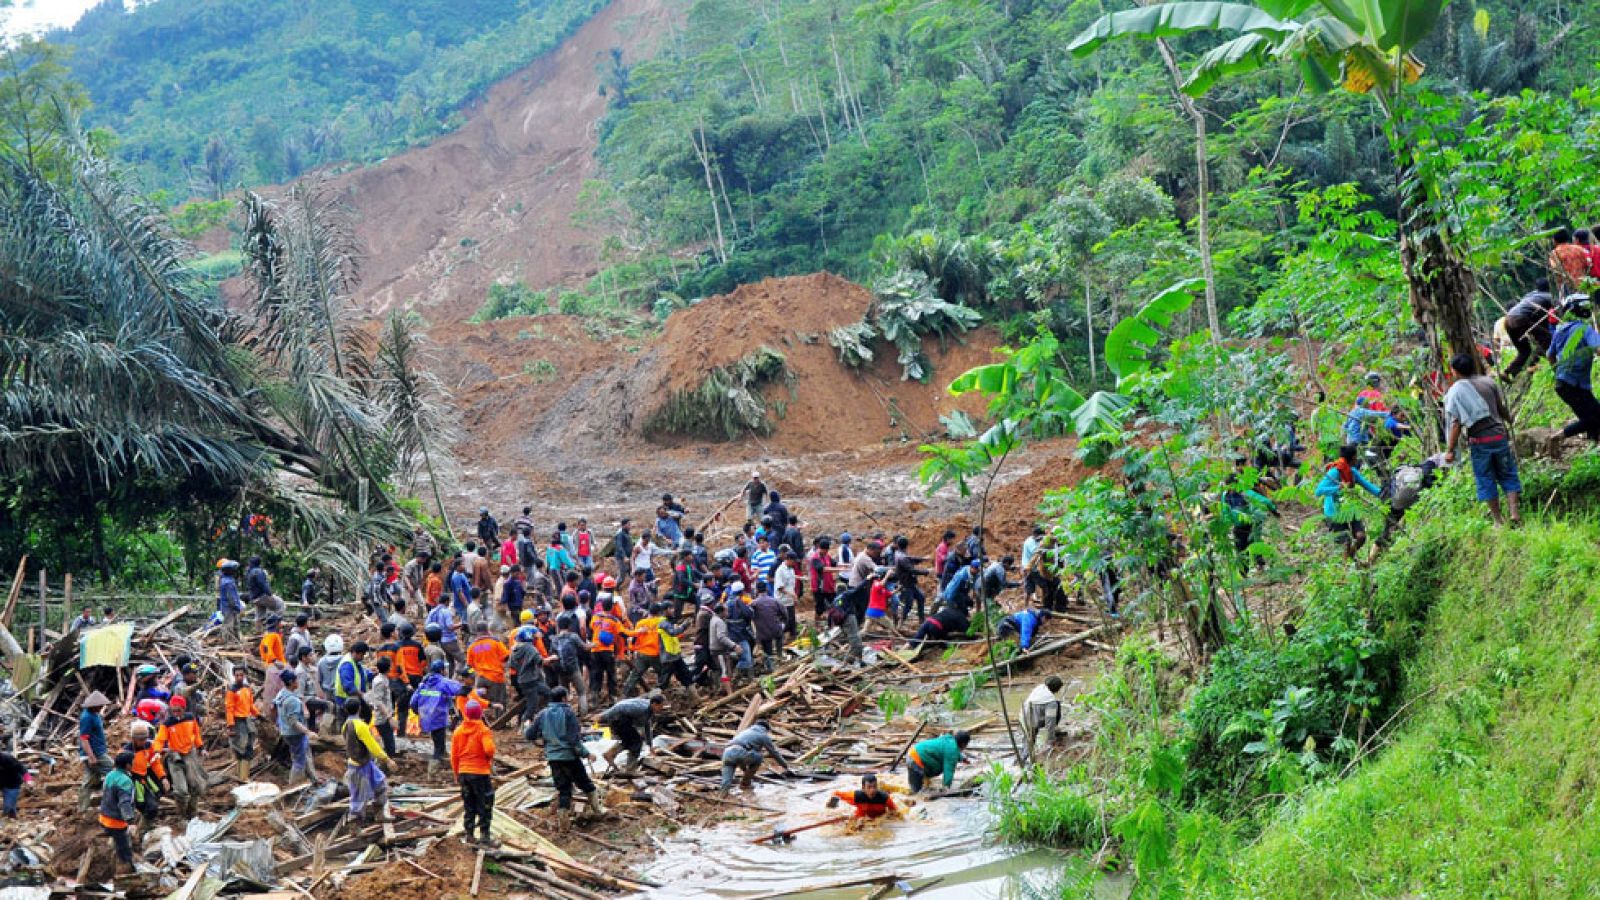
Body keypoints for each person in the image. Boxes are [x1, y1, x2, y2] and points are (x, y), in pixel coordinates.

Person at [1443, 351, 1522, 526]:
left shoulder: (1456, 391)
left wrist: (1450, 450)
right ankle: (1514, 513)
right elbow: (1501, 408)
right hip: (1499, 436)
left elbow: (1456, 424)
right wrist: (1510, 421)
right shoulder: (1489, 382)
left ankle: (1498, 521)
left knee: (1485, 478)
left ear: (1455, 371)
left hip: (1480, 442)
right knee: (1508, 474)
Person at [527, 687, 602, 831]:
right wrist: (586, 754)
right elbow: (574, 739)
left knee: (564, 790)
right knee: (586, 785)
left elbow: (530, 734)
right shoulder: (568, 713)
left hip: (554, 759)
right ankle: (598, 811)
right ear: (563, 698)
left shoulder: (542, 714)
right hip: (570, 757)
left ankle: (564, 825)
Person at [1315, 444, 1384, 559]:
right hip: (1334, 512)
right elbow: (1319, 491)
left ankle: (1350, 558)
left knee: (1361, 537)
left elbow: (1368, 486)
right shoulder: (1335, 472)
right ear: (1352, 458)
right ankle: (1347, 567)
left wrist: (1383, 494)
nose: (1357, 459)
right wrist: (1338, 488)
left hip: (1350, 508)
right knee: (1345, 544)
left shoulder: (1352, 472)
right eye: (1355, 457)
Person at [1548, 295, 1600, 443]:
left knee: (1594, 416)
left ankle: (1593, 446)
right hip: (1575, 385)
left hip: (1566, 384)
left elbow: (1549, 355)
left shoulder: (1561, 329)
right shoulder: (1585, 329)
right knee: (1592, 419)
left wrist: (1558, 373)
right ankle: (1558, 437)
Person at [452, 700, 498, 847]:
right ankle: (485, 836)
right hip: (480, 773)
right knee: (484, 804)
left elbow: (454, 756)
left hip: (464, 773)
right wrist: (488, 759)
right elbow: (489, 749)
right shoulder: (483, 730)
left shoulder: (458, 731)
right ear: (479, 714)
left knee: (469, 804)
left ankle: (469, 835)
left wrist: (457, 774)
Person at [1221, 459, 1280, 572]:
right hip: (1238, 526)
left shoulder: (1245, 492)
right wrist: (1227, 525)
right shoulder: (1225, 496)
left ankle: (1260, 565)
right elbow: (1225, 511)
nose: (1230, 489)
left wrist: (1274, 510)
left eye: (1231, 486)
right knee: (1241, 549)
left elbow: (1265, 501)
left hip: (1251, 523)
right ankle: (1244, 573)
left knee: (1255, 542)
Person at [340, 698, 392, 823]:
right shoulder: (360, 726)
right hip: (359, 767)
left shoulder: (345, 725)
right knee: (358, 797)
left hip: (366, 763)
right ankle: (354, 826)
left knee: (380, 785)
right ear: (359, 708)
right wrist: (387, 759)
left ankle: (379, 814)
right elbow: (372, 745)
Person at [153, 695, 205, 817]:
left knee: (195, 785)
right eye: (173, 710)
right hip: (175, 756)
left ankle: (192, 813)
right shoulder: (167, 724)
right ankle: (181, 815)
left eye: (178, 710)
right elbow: (160, 739)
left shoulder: (190, 718)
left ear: (183, 708)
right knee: (181, 790)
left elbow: (196, 734)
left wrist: (201, 748)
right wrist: (156, 751)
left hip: (190, 754)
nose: (176, 713)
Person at [411, 660, 464, 773]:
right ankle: (433, 770)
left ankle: (442, 754)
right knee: (438, 746)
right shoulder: (443, 683)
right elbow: (459, 689)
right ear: (441, 670)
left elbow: (413, 701)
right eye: (444, 669)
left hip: (427, 717)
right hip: (438, 717)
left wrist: (418, 712)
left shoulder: (424, 683)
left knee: (437, 739)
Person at [597, 692, 664, 775]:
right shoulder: (642, 709)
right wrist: (603, 716)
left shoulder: (649, 709)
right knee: (636, 742)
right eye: (660, 706)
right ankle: (630, 769)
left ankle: (610, 754)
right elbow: (619, 707)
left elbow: (647, 726)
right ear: (654, 704)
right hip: (617, 719)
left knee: (630, 741)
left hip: (622, 719)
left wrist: (650, 745)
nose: (662, 708)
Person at [1503, 279, 1558, 379]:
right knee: (1546, 339)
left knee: (1524, 351)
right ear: (1548, 287)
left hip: (1508, 318)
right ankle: (1556, 367)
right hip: (1520, 318)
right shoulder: (1548, 297)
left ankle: (1508, 371)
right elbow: (1556, 311)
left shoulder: (1531, 295)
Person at [719, 719, 791, 793]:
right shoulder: (763, 735)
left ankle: (721, 797)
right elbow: (774, 752)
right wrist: (785, 765)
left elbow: (738, 755)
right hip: (741, 753)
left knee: (726, 781)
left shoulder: (745, 732)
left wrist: (745, 770)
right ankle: (745, 783)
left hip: (727, 753)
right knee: (759, 757)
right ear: (766, 729)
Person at [274, 670, 320, 785]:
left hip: (286, 731)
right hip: (295, 734)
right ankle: (293, 785)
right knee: (298, 761)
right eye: (296, 680)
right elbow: (293, 722)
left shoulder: (282, 694)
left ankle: (314, 779)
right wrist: (308, 732)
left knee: (306, 754)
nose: (298, 682)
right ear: (291, 682)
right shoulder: (291, 701)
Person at [100, 751, 139, 873]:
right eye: (132, 762)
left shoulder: (110, 775)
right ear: (127, 765)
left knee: (117, 841)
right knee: (124, 849)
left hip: (104, 817)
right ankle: (127, 870)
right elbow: (124, 803)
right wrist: (130, 821)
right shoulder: (124, 781)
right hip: (116, 822)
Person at [78, 690, 113, 811]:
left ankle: (82, 809)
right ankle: (112, 802)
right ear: (94, 705)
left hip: (98, 751)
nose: (103, 707)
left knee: (90, 781)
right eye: (101, 705)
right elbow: (84, 739)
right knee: (114, 771)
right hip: (95, 753)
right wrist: (91, 756)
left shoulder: (95, 715)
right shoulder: (87, 717)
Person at [124, 720, 166, 818]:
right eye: (140, 740)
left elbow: (155, 763)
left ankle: (145, 822)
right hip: (133, 781)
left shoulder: (148, 746)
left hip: (145, 777)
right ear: (133, 739)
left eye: (145, 739)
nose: (143, 742)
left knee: (153, 804)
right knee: (143, 805)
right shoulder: (126, 752)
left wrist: (163, 777)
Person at [466, 622, 511, 707]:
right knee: (500, 703)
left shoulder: (471, 647)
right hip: (495, 678)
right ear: (487, 630)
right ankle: (500, 719)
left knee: (478, 703)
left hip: (480, 679)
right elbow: (506, 657)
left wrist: (474, 672)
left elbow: (469, 667)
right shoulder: (495, 642)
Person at [225, 668, 257, 782]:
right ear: (234, 676)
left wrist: (257, 714)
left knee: (248, 746)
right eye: (237, 675)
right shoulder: (232, 690)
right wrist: (230, 725)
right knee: (240, 747)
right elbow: (229, 708)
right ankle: (242, 776)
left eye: (241, 675)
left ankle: (243, 775)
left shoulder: (247, 688)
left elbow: (250, 704)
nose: (239, 677)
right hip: (237, 721)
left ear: (244, 676)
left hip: (246, 719)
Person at [1021, 677, 1065, 759]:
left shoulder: (1040, 688)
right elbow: (1050, 722)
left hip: (1024, 718)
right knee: (1057, 705)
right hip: (1035, 721)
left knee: (1027, 742)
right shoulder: (1051, 702)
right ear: (1056, 688)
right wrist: (1051, 739)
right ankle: (1026, 759)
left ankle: (1022, 758)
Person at [826, 773, 898, 820]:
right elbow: (836, 794)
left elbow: (896, 813)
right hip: (860, 819)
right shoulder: (856, 797)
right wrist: (831, 805)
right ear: (863, 788)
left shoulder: (885, 798)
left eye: (875, 786)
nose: (872, 790)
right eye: (869, 787)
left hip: (879, 821)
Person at [365, 657, 398, 758]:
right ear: (388, 668)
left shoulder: (383, 678)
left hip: (385, 716)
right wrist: (389, 717)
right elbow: (378, 701)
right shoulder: (380, 681)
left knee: (389, 744)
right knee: (389, 746)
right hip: (382, 718)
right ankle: (386, 767)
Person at [1552, 227, 1591, 294]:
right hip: (1582, 284)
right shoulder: (1579, 249)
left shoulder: (1555, 253)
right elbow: (1588, 265)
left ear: (1555, 240)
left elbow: (1556, 271)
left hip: (1566, 287)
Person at [216, 559, 244, 641]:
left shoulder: (225, 580)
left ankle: (234, 642)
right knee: (229, 626)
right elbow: (231, 598)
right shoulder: (229, 582)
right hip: (229, 608)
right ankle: (228, 643)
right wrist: (237, 607)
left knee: (233, 625)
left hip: (227, 607)